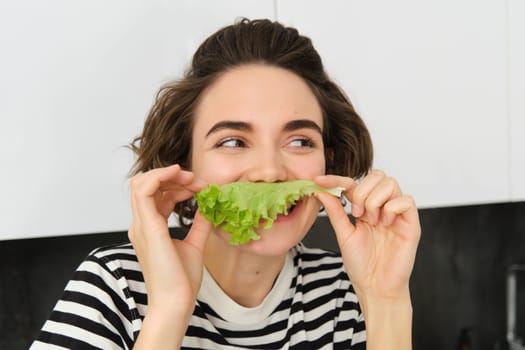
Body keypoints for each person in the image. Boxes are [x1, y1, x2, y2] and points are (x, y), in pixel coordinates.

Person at [31, 18, 420, 349]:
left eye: (300, 141)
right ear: (184, 164)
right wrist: (169, 308)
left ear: (328, 162)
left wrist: (385, 302)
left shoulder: (346, 291)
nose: (269, 171)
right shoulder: (115, 285)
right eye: (232, 142)